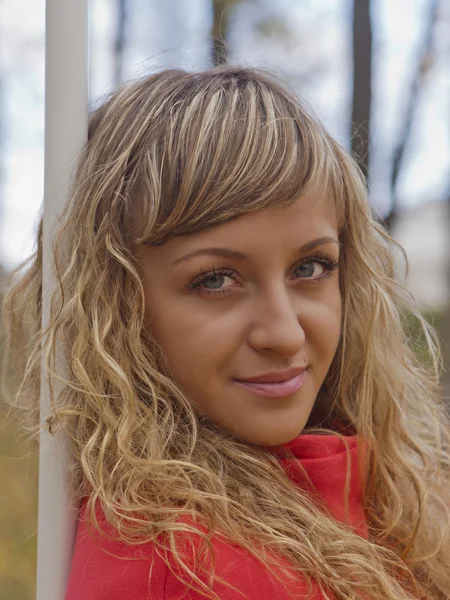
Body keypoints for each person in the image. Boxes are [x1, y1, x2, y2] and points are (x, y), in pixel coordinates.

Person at [2, 66, 449, 600]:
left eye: (311, 268)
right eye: (215, 279)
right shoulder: (178, 570)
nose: (284, 335)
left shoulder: (392, 495)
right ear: (118, 306)